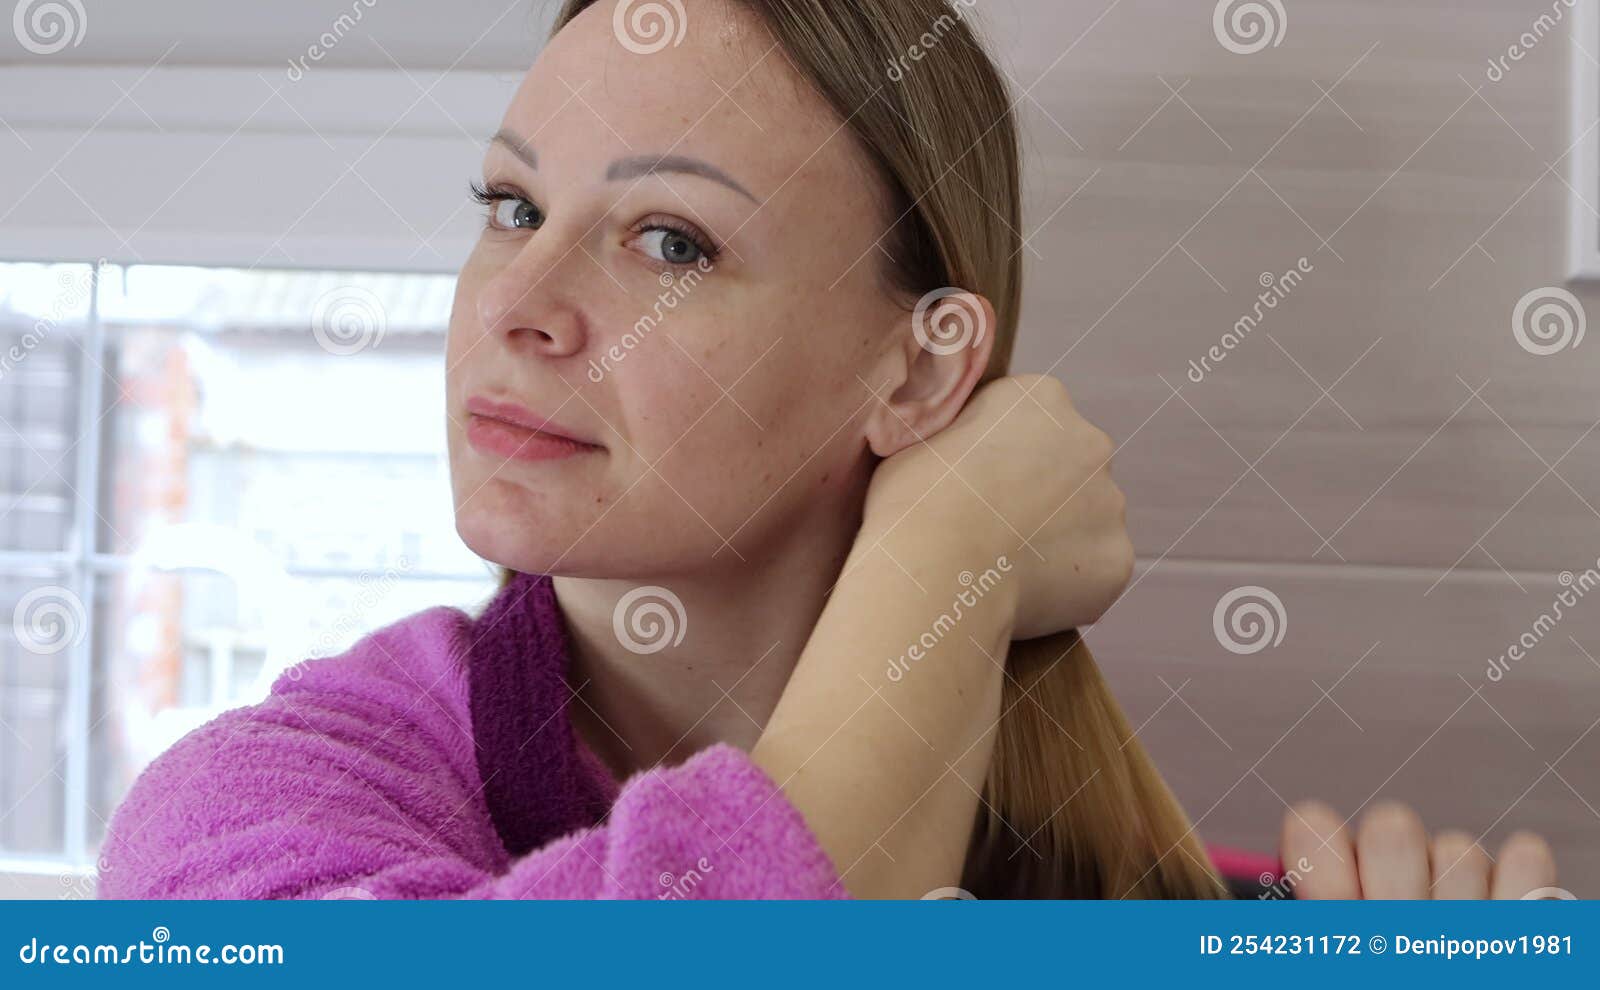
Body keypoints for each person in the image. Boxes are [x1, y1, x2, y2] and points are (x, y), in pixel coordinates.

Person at [98, 0, 1558, 900]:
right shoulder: (257, 819)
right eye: (510, 206)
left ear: (919, 368)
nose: (522, 308)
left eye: (667, 239)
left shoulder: (1196, 918)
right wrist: (954, 544)